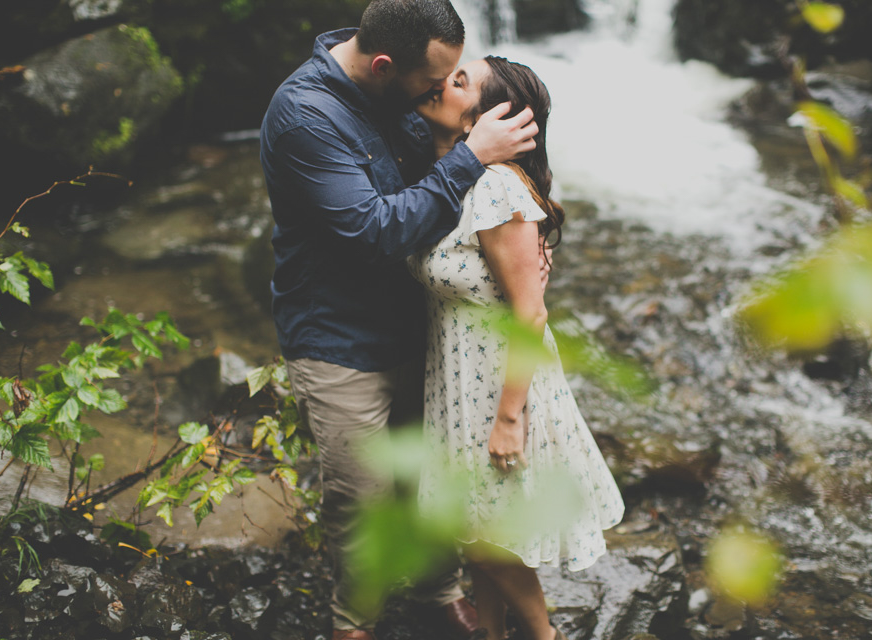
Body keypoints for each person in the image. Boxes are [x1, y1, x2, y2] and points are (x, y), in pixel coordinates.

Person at [258, 1, 541, 639]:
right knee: (361, 495)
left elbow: (459, 188)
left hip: (423, 326)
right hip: (338, 338)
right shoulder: (306, 114)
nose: (442, 91)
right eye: (434, 82)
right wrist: (472, 156)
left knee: (430, 473)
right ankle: (353, 622)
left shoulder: (406, 88)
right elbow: (376, 231)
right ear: (384, 65)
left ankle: (438, 591)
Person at [406, 56, 625, 640]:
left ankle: (543, 635)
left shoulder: (495, 187)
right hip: (460, 377)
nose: (442, 81)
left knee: (485, 538)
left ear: (484, 117)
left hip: (499, 386)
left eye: (460, 82)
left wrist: (509, 418)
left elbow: (530, 313)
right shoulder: (448, 177)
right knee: (482, 526)